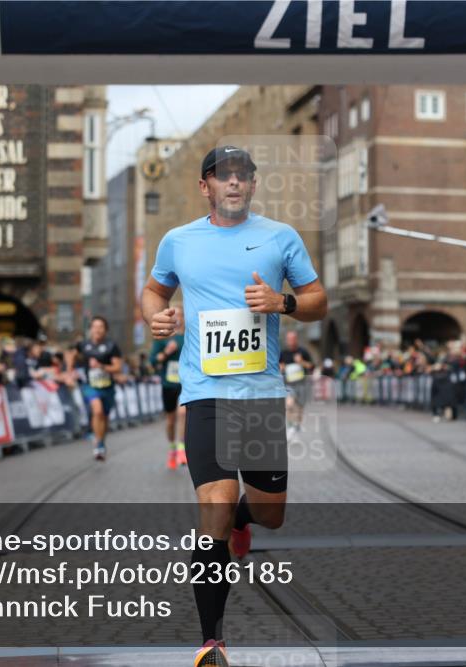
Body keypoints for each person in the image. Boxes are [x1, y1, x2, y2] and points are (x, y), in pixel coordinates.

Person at [141, 145, 326, 667]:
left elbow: (318, 301)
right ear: (206, 186)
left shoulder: (279, 237)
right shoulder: (178, 241)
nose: (235, 183)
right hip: (204, 393)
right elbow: (152, 293)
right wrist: (157, 317)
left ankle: (249, 517)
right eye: (225, 176)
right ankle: (211, 642)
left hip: (261, 397)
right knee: (214, 508)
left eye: (244, 175)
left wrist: (282, 303)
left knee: (270, 514)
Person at [76, 316, 123, 461]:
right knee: (97, 411)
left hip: (107, 386)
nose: (97, 329)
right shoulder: (83, 345)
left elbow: (117, 367)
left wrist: (101, 366)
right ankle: (97, 443)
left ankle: (101, 442)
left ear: (105, 330)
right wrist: (70, 370)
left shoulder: (111, 346)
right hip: (90, 385)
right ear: (90, 329)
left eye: (101, 327)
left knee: (105, 416)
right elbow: (71, 355)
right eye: (94, 326)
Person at [150, 319, 188, 469]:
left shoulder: (190, 336)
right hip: (168, 384)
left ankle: (181, 447)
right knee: (170, 420)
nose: (178, 320)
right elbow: (153, 361)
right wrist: (166, 352)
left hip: (185, 384)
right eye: (175, 316)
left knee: (182, 413)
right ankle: (172, 447)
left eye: (181, 315)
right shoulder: (163, 339)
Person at [278, 330, 315, 438]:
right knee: (289, 405)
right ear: (286, 340)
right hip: (289, 383)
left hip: (302, 383)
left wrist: (301, 362)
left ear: (296, 339)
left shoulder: (303, 352)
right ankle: (290, 427)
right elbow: (279, 366)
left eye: (293, 339)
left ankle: (297, 425)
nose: (291, 341)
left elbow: (312, 367)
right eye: (289, 339)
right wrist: (281, 368)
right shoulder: (283, 353)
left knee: (299, 407)